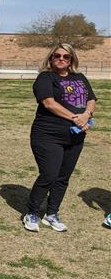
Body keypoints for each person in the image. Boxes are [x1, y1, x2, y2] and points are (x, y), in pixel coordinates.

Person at [23, 43, 97, 232]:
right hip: (48, 135)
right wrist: (75, 118)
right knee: (49, 174)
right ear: (51, 58)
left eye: (66, 56)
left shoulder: (79, 77)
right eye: (57, 56)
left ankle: (52, 213)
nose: (61, 59)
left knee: (63, 177)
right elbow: (49, 103)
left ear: (72, 59)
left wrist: (87, 115)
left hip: (75, 137)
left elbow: (91, 98)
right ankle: (32, 212)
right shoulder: (45, 77)